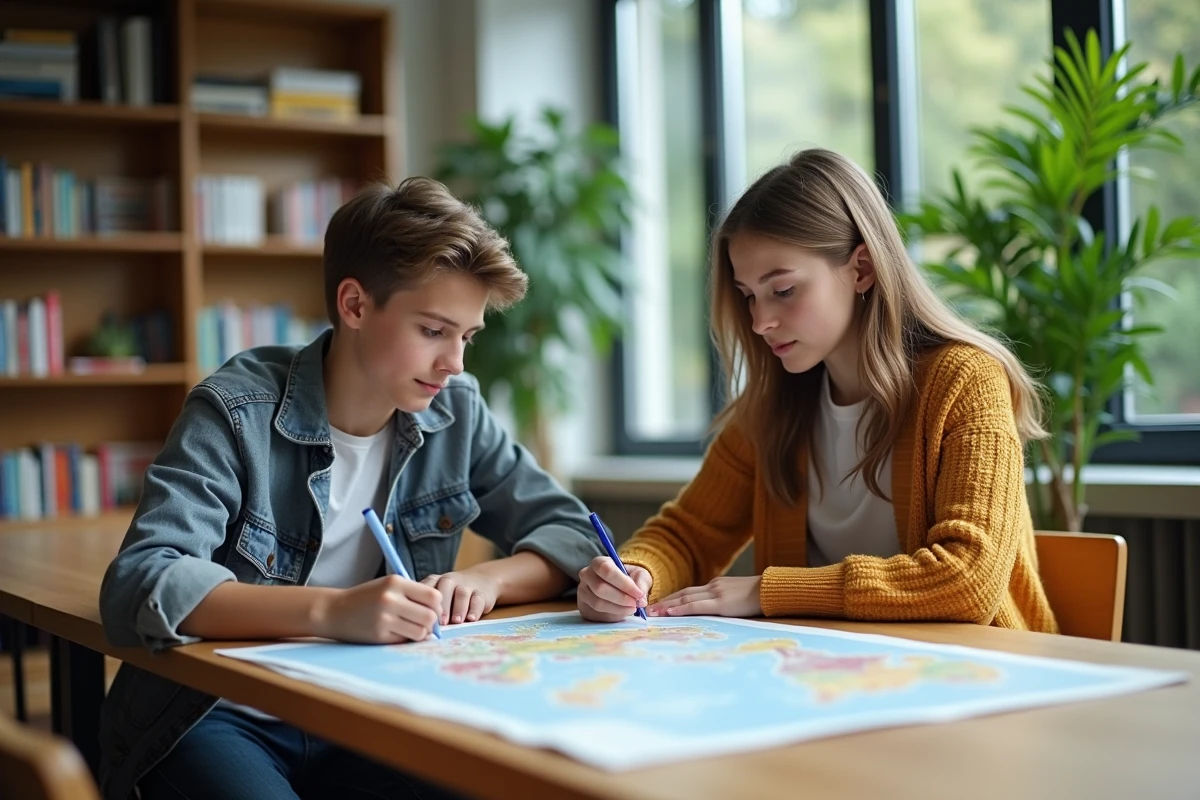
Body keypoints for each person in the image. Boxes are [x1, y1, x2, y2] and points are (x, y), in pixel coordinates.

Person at [98, 178, 604, 800]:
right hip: (216, 716)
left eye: (466, 336)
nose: (456, 363)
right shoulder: (235, 410)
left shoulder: (457, 411)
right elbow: (141, 583)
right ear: (356, 305)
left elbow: (576, 534)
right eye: (433, 330)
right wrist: (334, 611)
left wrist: (488, 581)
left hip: (373, 712)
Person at [577, 148, 1058, 634]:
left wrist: (766, 590)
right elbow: (688, 536)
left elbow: (967, 579)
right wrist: (636, 574)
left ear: (862, 269)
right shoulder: (773, 405)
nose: (760, 321)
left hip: (979, 678)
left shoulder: (966, 381)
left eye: (782, 290)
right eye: (748, 296)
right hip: (831, 677)